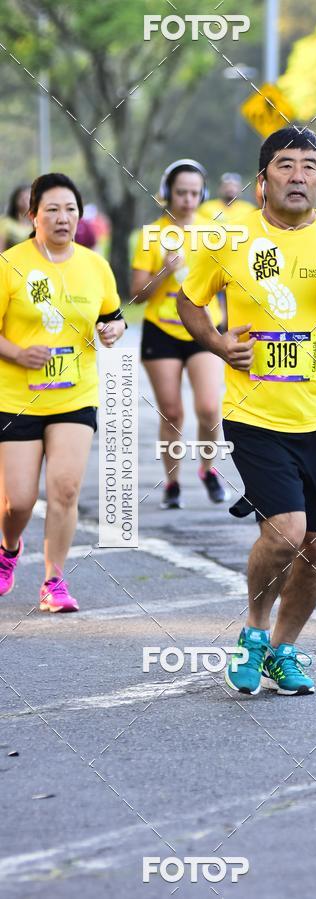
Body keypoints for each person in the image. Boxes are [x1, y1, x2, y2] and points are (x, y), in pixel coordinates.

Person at [177, 127, 316, 696]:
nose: (298, 176)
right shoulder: (229, 236)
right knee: (287, 533)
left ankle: (283, 648)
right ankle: (252, 631)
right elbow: (189, 301)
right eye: (285, 165)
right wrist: (220, 344)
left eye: (309, 167)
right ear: (263, 177)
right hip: (256, 411)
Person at [0, 172, 126, 611]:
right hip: (16, 397)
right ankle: (9, 549)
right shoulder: (10, 265)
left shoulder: (95, 265)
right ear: (31, 214)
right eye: (51, 209)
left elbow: (114, 315)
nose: (62, 217)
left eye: (70, 209)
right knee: (18, 501)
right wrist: (17, 352)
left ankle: (54, 581)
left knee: (66, 488)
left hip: (75, 394)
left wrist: (113, 329)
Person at [131, 159, 228, 508]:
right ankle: (172, 483)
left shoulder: (214, 232)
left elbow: (230, 283)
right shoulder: (152, 234)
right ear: (167, 193)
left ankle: (208, 469)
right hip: (163, 330)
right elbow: (136, 294)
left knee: (208, 407)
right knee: (171, 412)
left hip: (205, 328)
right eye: (180, 192)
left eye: (194, 192)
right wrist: (162, 272)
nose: (187, 199)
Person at [0, 184, 31, 252]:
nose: (25, 200)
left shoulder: (39, 224)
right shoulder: (5, 222)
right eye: (22, 197)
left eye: (28, 197)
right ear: (15, 200)